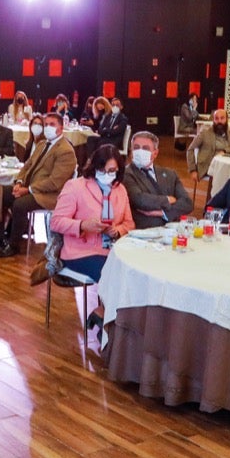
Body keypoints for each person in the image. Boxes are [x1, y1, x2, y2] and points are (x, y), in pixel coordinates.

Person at [50, 143, 135, 333]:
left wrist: (118, 230)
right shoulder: (75, 186)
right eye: (102, 169)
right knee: (114, 273)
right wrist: (82, 225)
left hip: (112, 248)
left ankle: (104, 313)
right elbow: (56, 222)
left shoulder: (120, 190)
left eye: (112, 170)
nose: (107, 174)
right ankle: (112, 330)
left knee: (132, 272)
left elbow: (129, 223)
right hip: (80, 251)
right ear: (94, 167)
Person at [0, 110, 76, 257]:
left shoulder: (66, 151)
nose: (47, 127)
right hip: (30, 187)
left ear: (61, 128)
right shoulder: (42, 144)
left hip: (49, 195)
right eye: (46, 124)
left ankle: (14, 245)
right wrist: (19, 182)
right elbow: (27, 165)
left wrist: (28, 189)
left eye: (52, 124)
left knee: (20, 204)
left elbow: (54, 182)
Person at [123, 131, 192, 228]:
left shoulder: (170, 174)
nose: (140, 151)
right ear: (131, 151)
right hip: (144, 232)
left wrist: (162, 213)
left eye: (145, 148)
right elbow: (140, 200)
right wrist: (168, 199)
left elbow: (187, 203)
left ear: (155, 153)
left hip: (173, 230)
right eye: (136, 147)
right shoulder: (126, 173)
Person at [188, 107, 230, 175]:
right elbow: (190, 149)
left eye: (222, 118)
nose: (219, 121)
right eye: (216, 118)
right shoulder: (204, 133)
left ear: (227, 119)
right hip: (208, 167)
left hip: (227, 166)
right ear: (213, 120)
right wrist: (192, 170)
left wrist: (225, 150)